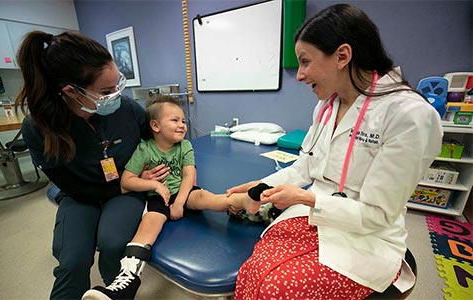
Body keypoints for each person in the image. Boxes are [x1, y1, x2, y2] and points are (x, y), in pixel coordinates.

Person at [226, 4, 443, 299]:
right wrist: (262, 186)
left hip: (367, 237)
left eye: (305, 62)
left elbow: (377, 214)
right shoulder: (328, 105)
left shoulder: (409, 116)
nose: (300, 75)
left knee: (275, 289)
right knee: (253, 271)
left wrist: (305, 197)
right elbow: (307, 164)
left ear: (342, 56)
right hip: (314, 216)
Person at [15, 31, 169, 299]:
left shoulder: (127, 109)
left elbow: (154, 145)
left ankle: (114, 293)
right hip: (81, 194)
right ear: (71, 92)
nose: (116, 95)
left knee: (114, 245)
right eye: (107, 91)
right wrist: (125, 185)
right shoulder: (39, 128)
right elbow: (71, 186)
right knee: (72, 261)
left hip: (125, 189)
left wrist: (148, 170)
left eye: (118, 83)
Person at [82, 95, 261, 300]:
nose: (182, 125)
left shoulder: (184, 146)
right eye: (175, 120)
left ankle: (242, 201)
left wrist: (179, 203)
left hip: (182, 194)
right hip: (158, 199)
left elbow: (188, 176)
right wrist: (154, 184)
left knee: (205, 197)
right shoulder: (144, 149)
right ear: (155, 126)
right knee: (148, 225)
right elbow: (126, 181)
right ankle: (126, 281)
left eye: (183, 121)